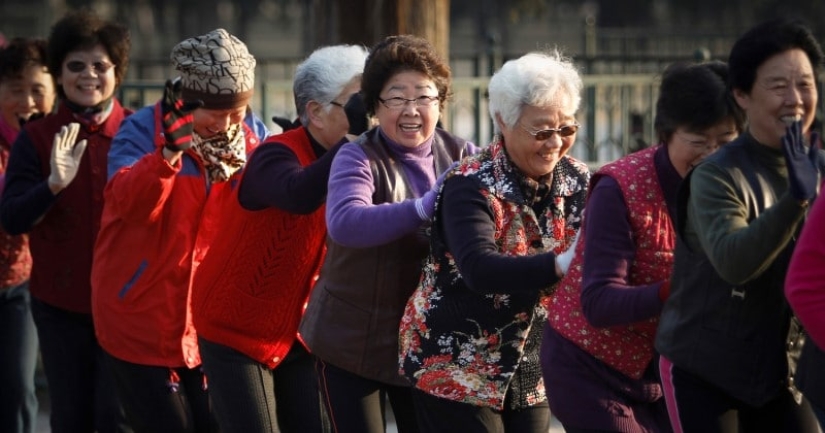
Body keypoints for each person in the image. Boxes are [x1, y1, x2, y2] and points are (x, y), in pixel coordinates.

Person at [541, 61, 743, 433]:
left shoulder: (741, 187)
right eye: (699, 142)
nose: (713, 156)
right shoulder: (620, 189)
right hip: (588, 367)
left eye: (726, 142)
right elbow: (599, 302)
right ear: (665, 134)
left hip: (669, 370)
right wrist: (674, 290)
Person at [397, 50, 590, 433]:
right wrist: (559, 263)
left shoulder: (579, 180)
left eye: (566, 130)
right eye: (541, 132)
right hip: (454, 363)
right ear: (504, 121)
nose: (555, 143)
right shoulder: (469, 183)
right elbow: (478, 267)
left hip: (530, 364)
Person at [298, 34, 478, 433]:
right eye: (396, 98)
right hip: (351, 341)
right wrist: (423, 206)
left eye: (424, 97)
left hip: (428, 344)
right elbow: (345, 222)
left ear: (440, 103)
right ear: (375, 106)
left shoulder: (464, 155)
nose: (411, 110)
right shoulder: (356, 154)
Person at [90, 28, 266, 433]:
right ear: (188, 98)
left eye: (235, 112)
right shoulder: (140, 129)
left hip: (209, 325)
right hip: (140, 317)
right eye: (215, 112)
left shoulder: (253, 141)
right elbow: (127, 207)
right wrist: (168, 153)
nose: (225, 124)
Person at [654, 18, 824, 433]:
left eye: (805, 84)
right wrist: (796, 200)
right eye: (779, 86)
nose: (796, 100)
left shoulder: (818, 166)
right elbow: (734, 262)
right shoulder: (716, 175)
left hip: (778, 372)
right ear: (742, 95)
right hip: (703, 370)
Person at [192, 43, 368, 433]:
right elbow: (298, 194)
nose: (369, 116)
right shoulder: (275, 154)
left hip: (303, 334)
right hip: (236, 329)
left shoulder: (360, 161)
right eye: (357, 105)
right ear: (315, 113)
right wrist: (353, 141)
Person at [0, 10, 132, 433]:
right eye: (76, 66)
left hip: (126, 302)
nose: (88, 75)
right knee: (71, 416)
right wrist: (53, 185)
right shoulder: (37, 137)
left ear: (117, 71)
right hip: (59, 305)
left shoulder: (140, 131)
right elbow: (14, 216)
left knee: (115, 417)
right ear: (59, 73)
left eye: (100, 66)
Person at [0, 36, 55, 433]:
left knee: (19, 389)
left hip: (20, 282)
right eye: (16, 90)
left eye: (37, 90)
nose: (28, 101)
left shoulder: (56, 142)